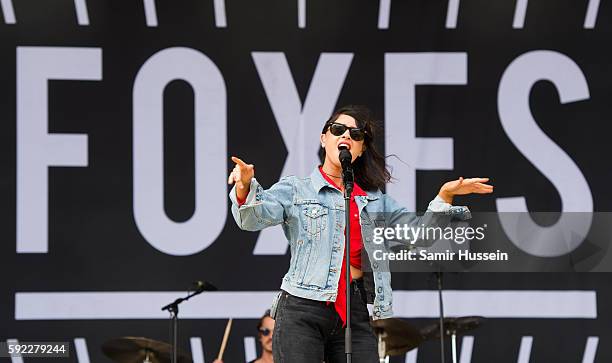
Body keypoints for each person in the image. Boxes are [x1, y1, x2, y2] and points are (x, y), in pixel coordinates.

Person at [228, 105, 493, 362]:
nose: (346, 136)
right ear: (324, 138)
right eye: (338, 129)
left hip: (357, 309)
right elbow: (251, 219)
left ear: (361, 148)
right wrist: (245, 186)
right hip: (303, 307)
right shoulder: (298, 189)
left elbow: (420, 236)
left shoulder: (376, 201)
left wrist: (444, 196)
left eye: (355, 135)